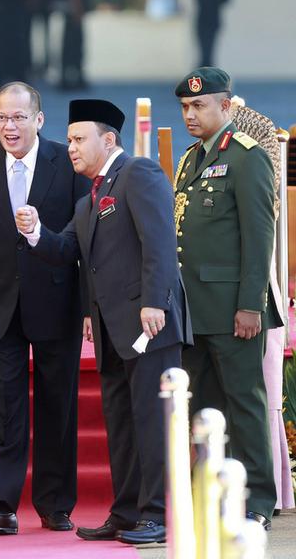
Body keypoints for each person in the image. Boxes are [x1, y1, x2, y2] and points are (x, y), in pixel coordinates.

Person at [15, 99, 190, 545]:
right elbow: (67, 252)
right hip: (113, 329)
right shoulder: (89, 195)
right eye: (69, 139)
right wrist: (34, 230)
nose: (70, 147)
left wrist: (154, 302)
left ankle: (160, 515)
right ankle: (128, 511)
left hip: (149, 324)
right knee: (122, 423)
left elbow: (159, 244)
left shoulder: (139, 174)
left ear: (107, 139)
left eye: (78, 139)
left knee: (152, 421)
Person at [0, 82, 90, 536]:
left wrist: (90, 306)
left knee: (57, 405)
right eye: (1, 117)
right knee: (7, 409)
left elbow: (83, 242)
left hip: (56, 302)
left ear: (38, 120)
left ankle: (55, 505)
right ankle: (2, 507)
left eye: (18, 117)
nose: (9, 126)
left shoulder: (67, 162)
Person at [173, 67, 280, 530]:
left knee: (244, 404)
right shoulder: (189, 158)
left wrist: (251, 304)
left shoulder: (246, 156)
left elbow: (260, 237)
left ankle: (257, 497)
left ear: (225, 106)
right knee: (203, 407)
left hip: (235, 309)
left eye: (199, 106)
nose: (190, 115)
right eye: (185, 108)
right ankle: (214, 492)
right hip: (193, 310)